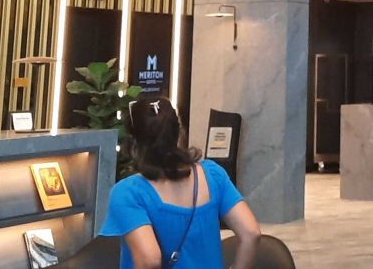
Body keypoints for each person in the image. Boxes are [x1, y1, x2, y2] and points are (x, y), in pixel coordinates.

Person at [102, 97, 263, 269]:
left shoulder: (128, 193)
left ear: (134, 143)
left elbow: (149, 259)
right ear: (179, 133)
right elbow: (251, 233)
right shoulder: (212, 175)